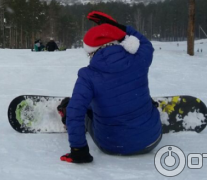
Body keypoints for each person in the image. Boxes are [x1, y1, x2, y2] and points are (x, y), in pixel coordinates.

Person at [57, 11, 162, 163]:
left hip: (111, 144)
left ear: (91, 51)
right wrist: (119, 28)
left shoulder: (88, 75)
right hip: (153, 139)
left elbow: (75, 114)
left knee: (83, 107)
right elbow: (145, 43)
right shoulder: (139, 58)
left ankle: (64, 110)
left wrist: (78, 151)